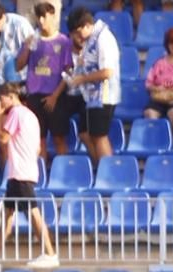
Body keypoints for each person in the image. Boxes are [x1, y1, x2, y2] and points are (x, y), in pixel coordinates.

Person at [0, 81, 57, 269]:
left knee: (33, 213)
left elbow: (3, 138)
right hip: (23, 169)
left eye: (1, 98)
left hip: (20, 172)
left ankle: (50, 253)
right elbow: (37, 148)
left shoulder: (17, 113)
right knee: (8, 215)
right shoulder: (30, 115)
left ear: (10, 97)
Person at [16, 3, 74, 159]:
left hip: (56, 96)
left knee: (59, 137)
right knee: (38, 139)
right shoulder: (32, 40)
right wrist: (27, 48)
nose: (41, 21)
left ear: (52, 16)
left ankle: (62, 174)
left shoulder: (63, 41)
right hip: (34, 94)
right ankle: (40, 176)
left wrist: (55, 96)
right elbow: (18, 65)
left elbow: (69, 71)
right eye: (38, 16)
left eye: (44, 16)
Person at [64, 7, 119, 163]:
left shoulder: (103, 38)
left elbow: (108, 72)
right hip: (92, 96)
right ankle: (99, 168)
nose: (77, 37)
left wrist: (82, 78)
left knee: (99, 136)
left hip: (103, 95)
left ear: (86, 25)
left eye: (77, 31)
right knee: (86, 134)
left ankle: (107, 173)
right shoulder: (91, 40)